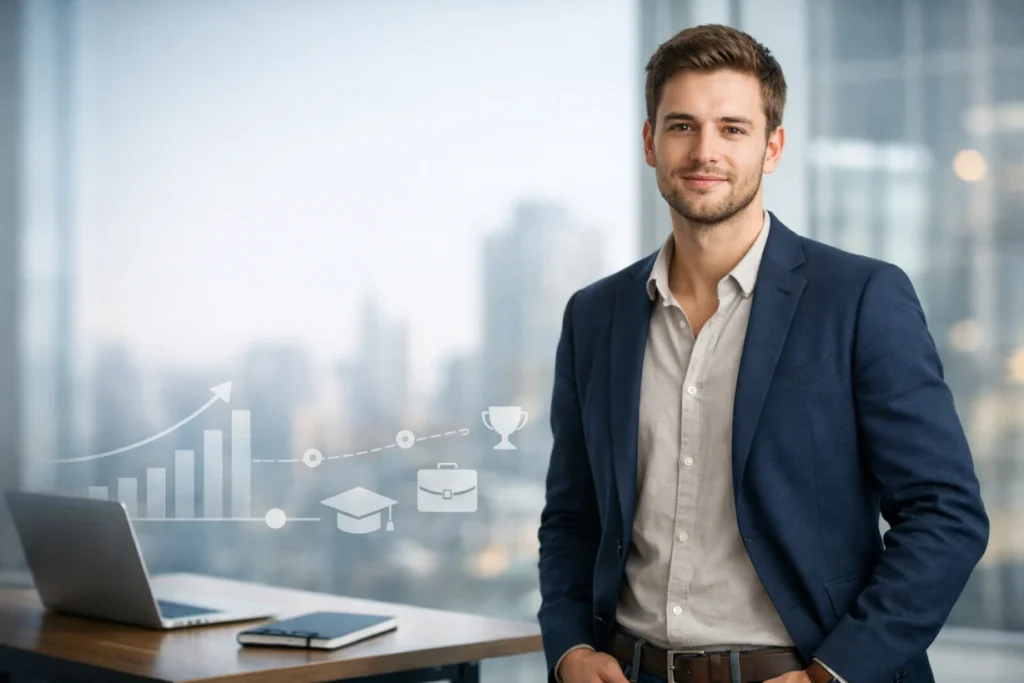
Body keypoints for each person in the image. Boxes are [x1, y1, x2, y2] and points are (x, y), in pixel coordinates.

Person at [536, 23, 989, 683]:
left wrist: (832, 673)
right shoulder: (594, 316)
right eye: (682, 125)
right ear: (649, 142)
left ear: (773, 147)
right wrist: (570, 647)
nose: (704, 151)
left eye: (733, 128)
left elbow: (946, 513)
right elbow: (572, 516)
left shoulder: (860, 297)